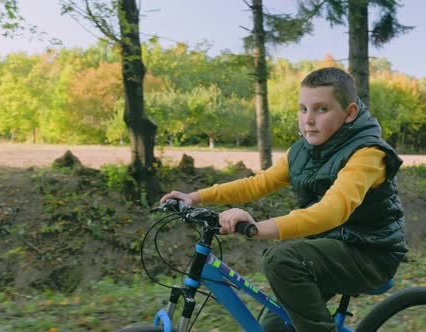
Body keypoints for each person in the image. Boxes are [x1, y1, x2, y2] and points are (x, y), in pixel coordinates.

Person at [160, 67, 407, 331]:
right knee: (272, 327)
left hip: (371, 255)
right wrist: (194, 197)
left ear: (349, 114)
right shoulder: (303, 151)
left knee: (281, 260)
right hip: (329, 248)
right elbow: (258, 184)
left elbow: (332, 211)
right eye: (303, 109)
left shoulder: (368, 154)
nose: (308, 120)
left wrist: (258, 228)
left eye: (321, 109)